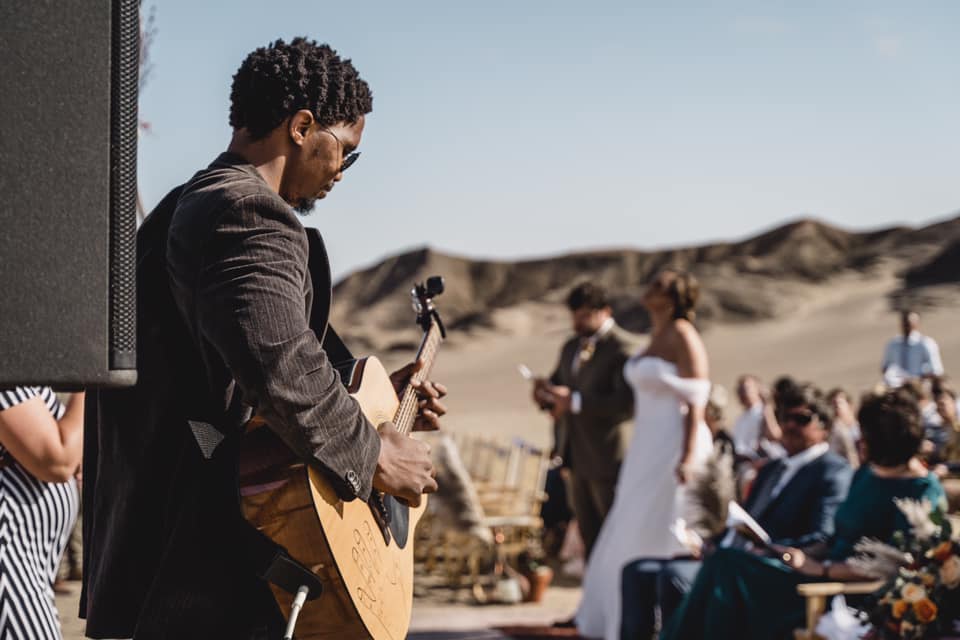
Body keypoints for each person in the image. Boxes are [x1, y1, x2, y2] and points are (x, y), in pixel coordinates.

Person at [81, 39, 444, 639]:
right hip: (202, 573)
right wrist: (376, 455)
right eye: (345, 152)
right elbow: (283, 371)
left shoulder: (186, 206)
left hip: (168, 561)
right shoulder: (246, 213)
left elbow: (250, 357)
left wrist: (382, 398)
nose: (341, 173)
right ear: (302, 127)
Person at [660, 387, 946, 640]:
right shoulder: (866, 476)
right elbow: (836, 537)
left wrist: (821, 569)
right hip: (814, 572)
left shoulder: (922, 491)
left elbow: (899, 565)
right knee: (725, 563)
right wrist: (800, 555)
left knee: (728, 572)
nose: (861, 442)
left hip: (844, 594)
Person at [619, 383, 852, 638]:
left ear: (825, 426)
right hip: (730, 557)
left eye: (801, 419)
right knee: (637, 571)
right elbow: (743, 521)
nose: (790, 426)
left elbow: (821, 538)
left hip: (769, 570)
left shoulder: (832, 471)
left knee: (674, 576)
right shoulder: (773, 469)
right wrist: (709, 543)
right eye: (785, 418)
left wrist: (768, 550)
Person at [574, 270, 712, 640]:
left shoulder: (683, 333)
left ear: (674, 296)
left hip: (674, 442)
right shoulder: (654, 334)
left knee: (662, 523)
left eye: (659, 285)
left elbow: (697, 398)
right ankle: (621, 616)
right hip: (647, 444)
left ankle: (663, 619)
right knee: (630, 520)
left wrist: (686, 455)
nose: (649, 287)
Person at [532, 282, 638, 557]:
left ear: (605, 311)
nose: (577, 322)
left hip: (608, 458)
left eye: (585, 315)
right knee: (590, 537)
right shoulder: (570, 348)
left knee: (616, 535)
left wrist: (575, 402)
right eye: (574, 315)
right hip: (575, 458)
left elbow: (626, 404)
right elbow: (559, 385)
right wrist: (544, 393)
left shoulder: (623, 348)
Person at [0, 387, 83, 639]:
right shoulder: (6, 363)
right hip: (9, 565)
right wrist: (96, 381)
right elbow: (56, 458)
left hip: (26, 564)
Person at [882, 310, 944, 385]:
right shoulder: (893, 344)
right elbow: (885, 366)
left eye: (910, 323)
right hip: (895, 385)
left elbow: (936, 370)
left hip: (920, 385)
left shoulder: (926, 344)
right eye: (905, 323)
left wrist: (918, 379)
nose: (907, 326)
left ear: (917, 324)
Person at [731, 375, 783, 460]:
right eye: (739, 390)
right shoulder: (741, 418)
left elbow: (774, 435)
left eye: (745, 389)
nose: (741, 393)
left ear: (758, 390)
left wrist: (767, 406)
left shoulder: (767, 412)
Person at [827, 388, 861, 468]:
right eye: (831, 406)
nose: (834, 410)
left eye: (837, 405)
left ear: (850, 405)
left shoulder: (862, 429)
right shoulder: (833, 433)